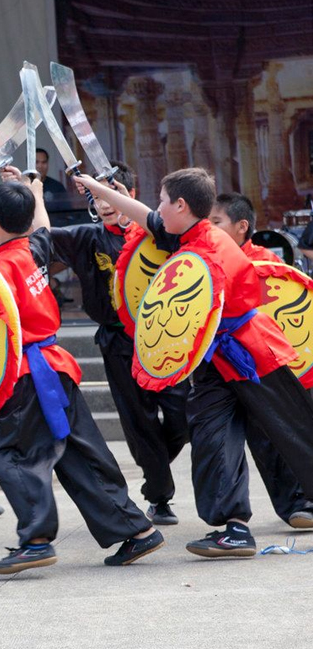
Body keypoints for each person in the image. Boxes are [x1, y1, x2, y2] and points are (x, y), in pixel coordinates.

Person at [75, 168, 313, 558]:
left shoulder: (210, 247)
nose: (158, 209)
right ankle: (235, 529)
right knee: (212, 437)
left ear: (181, 206)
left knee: (292, 427)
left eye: (164, 201)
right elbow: (142, 216)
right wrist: (99, 189)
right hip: (217, 360)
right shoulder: (189, 234)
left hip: (250, 352)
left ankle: (282, 509)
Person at [0, 177, 164, 575]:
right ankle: (136, 530)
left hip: (33, 374)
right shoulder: (35, 248)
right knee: (80, 455)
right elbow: (43, 227)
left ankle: (35, 539)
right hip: (56, 367)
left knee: (7, 455)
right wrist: (32, 189)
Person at [46, 161, 189, 526]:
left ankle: (154, 466)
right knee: (139, 421)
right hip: (117, 341)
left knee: (183, 416)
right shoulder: (88, 237)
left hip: (164, 337)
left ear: (130, 195)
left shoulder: (159, 232)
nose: (106, 205)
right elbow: (41, 235)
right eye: (96, 198)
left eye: (111, 195)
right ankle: (159, 496)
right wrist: (32, 188)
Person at [209, 192, 313, 528]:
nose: (209, 230)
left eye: (216, 223)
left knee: (272, 434)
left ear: (242, 227)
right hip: (218, 365)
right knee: (231, 441)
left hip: (260, 364)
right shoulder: (200, 260)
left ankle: (300, 503)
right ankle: (237, 517)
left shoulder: (267, 263)